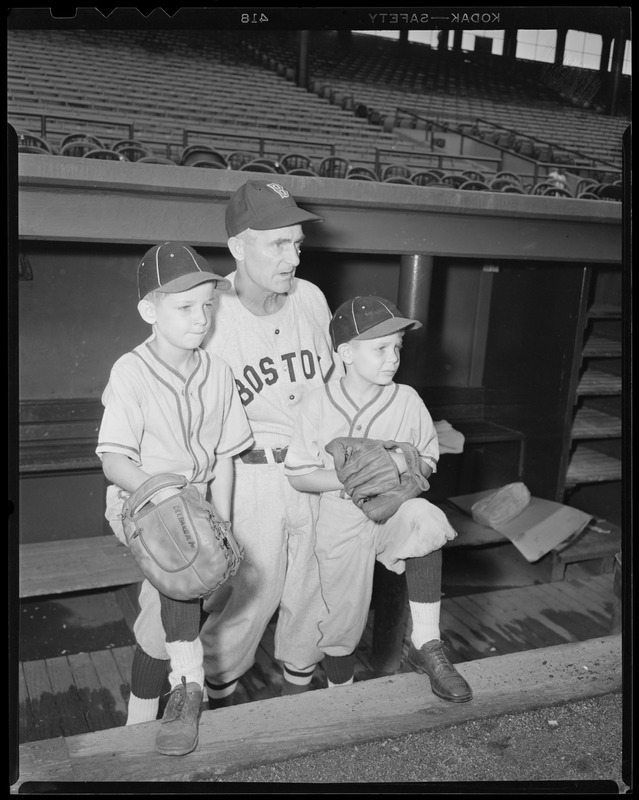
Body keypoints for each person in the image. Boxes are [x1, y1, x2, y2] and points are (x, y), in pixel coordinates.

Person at [124, 180, 340, 710]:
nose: (293, 256)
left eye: (297, 243)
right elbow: (155, 395)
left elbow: (334, 390)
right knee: (232, 607)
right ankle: (193, 716)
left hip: (313, 473)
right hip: (244, 479)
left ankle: (299, 720)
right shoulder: (205, 309)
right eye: (277, 244)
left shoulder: (310, 299)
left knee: (314, 601)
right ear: (239, 247)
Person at [96, 242, 253, 755]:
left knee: (176, 609)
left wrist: (222, 524)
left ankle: (137, 722)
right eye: (184, 307)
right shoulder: (130, 370)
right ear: (149, 311)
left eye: (208, 305)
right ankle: (190, 688)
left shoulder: (219, 370)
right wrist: (168, 502)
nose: (200, 317)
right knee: (186, 572)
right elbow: (114, 460)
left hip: (201, 499)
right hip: (139, 498)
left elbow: (226, 457)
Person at [284, 296, 473, 702]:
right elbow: (298, 475)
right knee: (341, 622)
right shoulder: (317, 403)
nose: (393, 358)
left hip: (394, 507)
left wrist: (398, 466)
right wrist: (347, 478)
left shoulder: (406, 399)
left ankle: (428, 645)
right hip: (339, 515)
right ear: (347, 353)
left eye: (397, 348)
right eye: (381, 348)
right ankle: (342, 695)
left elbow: (427, 460)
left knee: (427, 519)